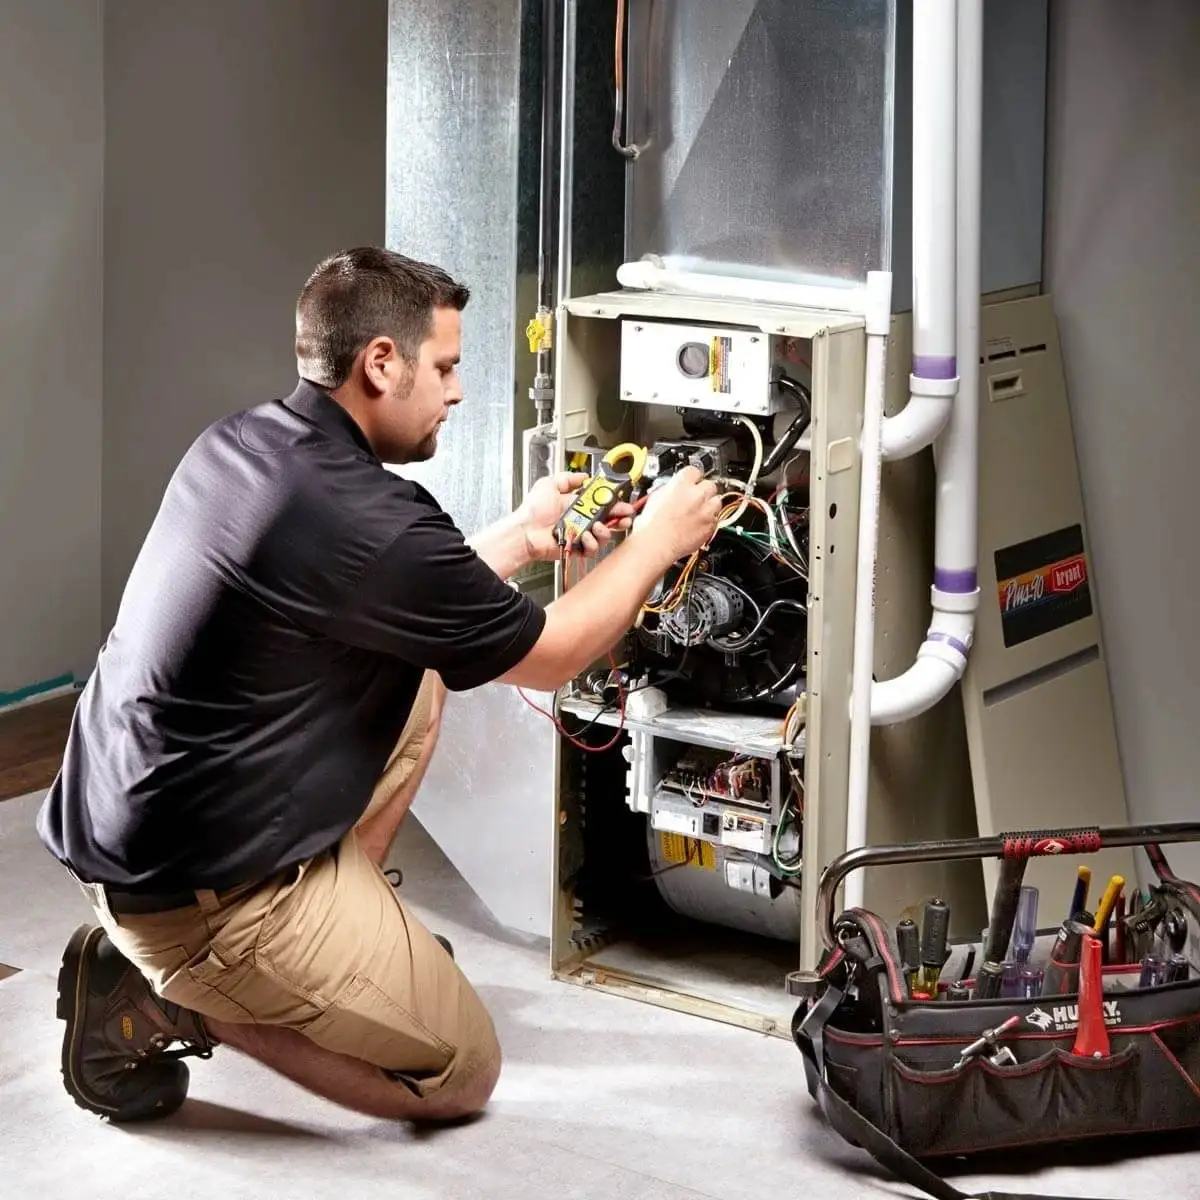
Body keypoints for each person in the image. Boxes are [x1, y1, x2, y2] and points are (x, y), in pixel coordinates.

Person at [37, 246, 721, 1125]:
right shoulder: (373, 519)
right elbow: (552, 656)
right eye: (445, 367)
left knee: (423, 676)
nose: (458, 391)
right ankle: (180, 997)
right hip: (198, 903)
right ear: (380, 363)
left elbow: (394, 592)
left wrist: (523, 533)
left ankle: (319, 953)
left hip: (132, 833)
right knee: (460, 1077)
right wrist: (657, 543)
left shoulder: (245, 445)